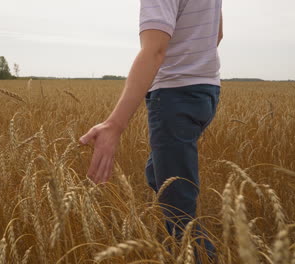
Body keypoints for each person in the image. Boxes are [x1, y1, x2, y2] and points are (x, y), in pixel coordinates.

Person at [80, 0, 223, 262]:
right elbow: (217, 34)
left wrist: (114, 125)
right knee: (157, 174)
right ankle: (175, 250)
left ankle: (200, 256)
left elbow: (155, 50)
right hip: (206, 92)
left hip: (175, 97)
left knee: (178, 205)